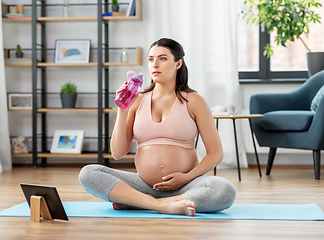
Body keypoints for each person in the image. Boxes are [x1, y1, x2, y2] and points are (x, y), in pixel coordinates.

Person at [79, 38, 236, 216]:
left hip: (185, 186)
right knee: (88, 173)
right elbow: (117, 153)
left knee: (224, 189)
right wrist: (122, 110)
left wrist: (186, 177)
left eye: (162, 59)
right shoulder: (137, 101)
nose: (155, 64)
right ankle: (161, 205)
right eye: (151, 59)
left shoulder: (194, 101)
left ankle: (139, 202)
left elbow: (216, 153)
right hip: (143, 185)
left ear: (178, 63)